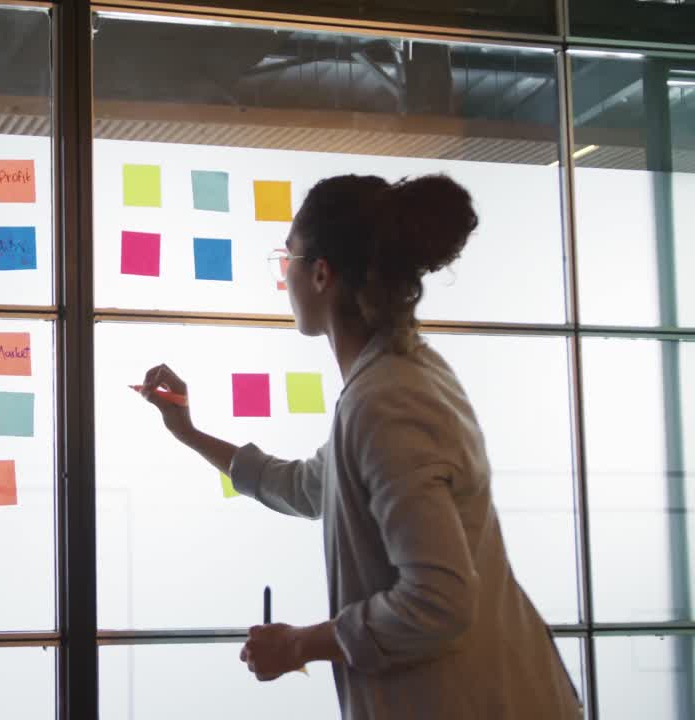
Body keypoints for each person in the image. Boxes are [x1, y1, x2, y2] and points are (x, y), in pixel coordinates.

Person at [139, 174, 581, 719]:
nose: (283, 278)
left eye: (287, 260)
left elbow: (438, 603)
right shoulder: (395, 377)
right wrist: (190, 432)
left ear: (320, 273)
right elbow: (306, 488)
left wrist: (301, 643)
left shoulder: (386, 402)